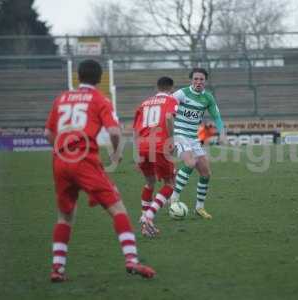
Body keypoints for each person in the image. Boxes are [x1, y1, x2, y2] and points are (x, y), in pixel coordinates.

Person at [45, 59, 156, 282]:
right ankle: (131, 259)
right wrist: (116, 153)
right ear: (99, 78)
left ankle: (57, 269)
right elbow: (114, 132)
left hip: (60, 160)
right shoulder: (99, 99)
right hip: (85, 160)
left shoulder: (62, 99)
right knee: (117, 208)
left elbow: (48, 134)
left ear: (78, 76)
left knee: (65, 216)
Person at [169, 67, 227, 219]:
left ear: (205, 81)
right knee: (189, 163)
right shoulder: (182, 93)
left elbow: (217, 117)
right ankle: (174, 197)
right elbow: (167, 106)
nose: (198, 82)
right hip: (179, 134)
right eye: (196, 79)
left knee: (206, 173)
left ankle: (199, 208)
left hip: (194, 138)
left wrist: (222, 133)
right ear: (191, 80)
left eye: (201, 79)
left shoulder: (208, 98)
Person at [132, 76, 178, 237]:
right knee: (170, 183)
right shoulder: (171, 100)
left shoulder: (144, 104)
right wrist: (171, 140)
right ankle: (148, 216)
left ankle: (144, 219)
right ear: (171, 88)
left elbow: (136, 130)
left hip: (143, 146)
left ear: (157, 87)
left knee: (149, 182)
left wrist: (136, 153)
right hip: (160, 146)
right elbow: (168, 117)